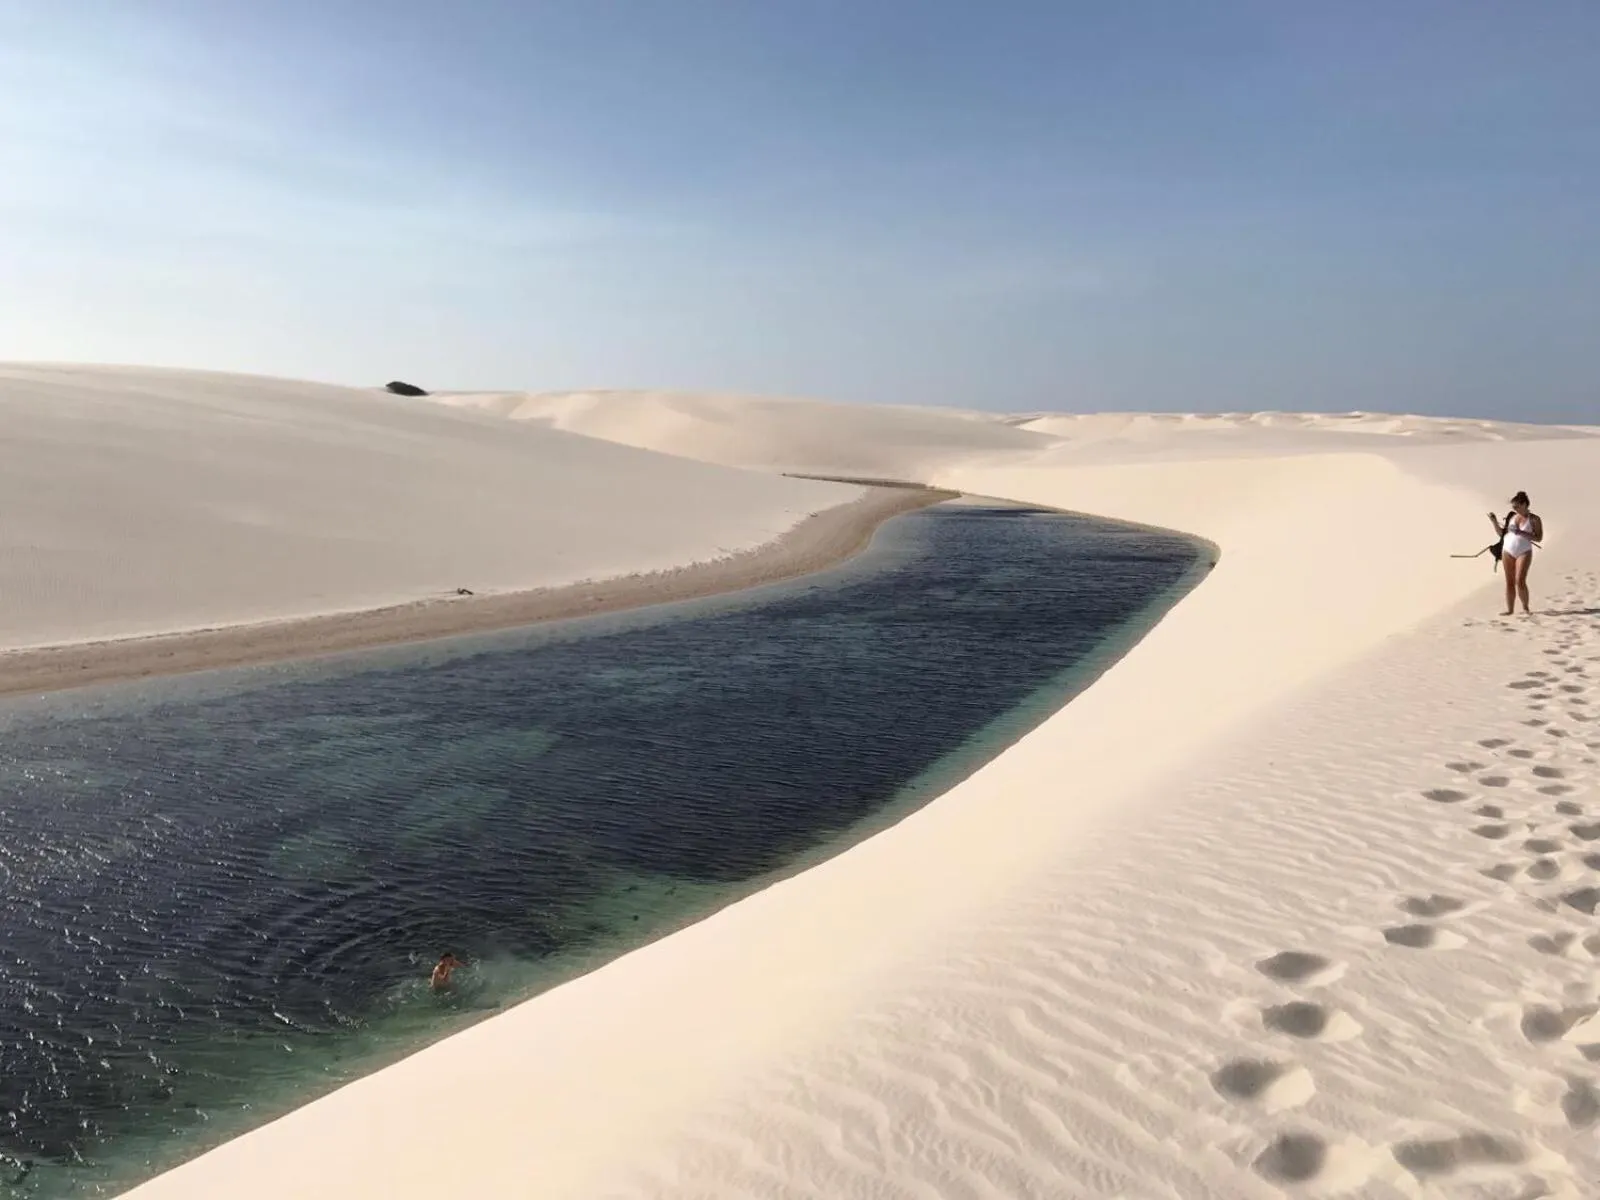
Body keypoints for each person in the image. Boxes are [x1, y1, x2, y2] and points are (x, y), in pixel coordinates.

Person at [1489, 491, 1542, 616]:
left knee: (1520, 580)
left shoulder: (1534, 519)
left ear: (1524, 504)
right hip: (1507, 550)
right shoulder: (1512, 517)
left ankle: (1525, 608)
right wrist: (1494, 522)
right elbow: (1502, 534)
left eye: (1517, 506)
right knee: (1509, 581)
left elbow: (1539, 538)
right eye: (1513, 507)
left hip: (1524, 551)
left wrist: (1520, 532)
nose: (1514, 509)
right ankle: (1510, 610)